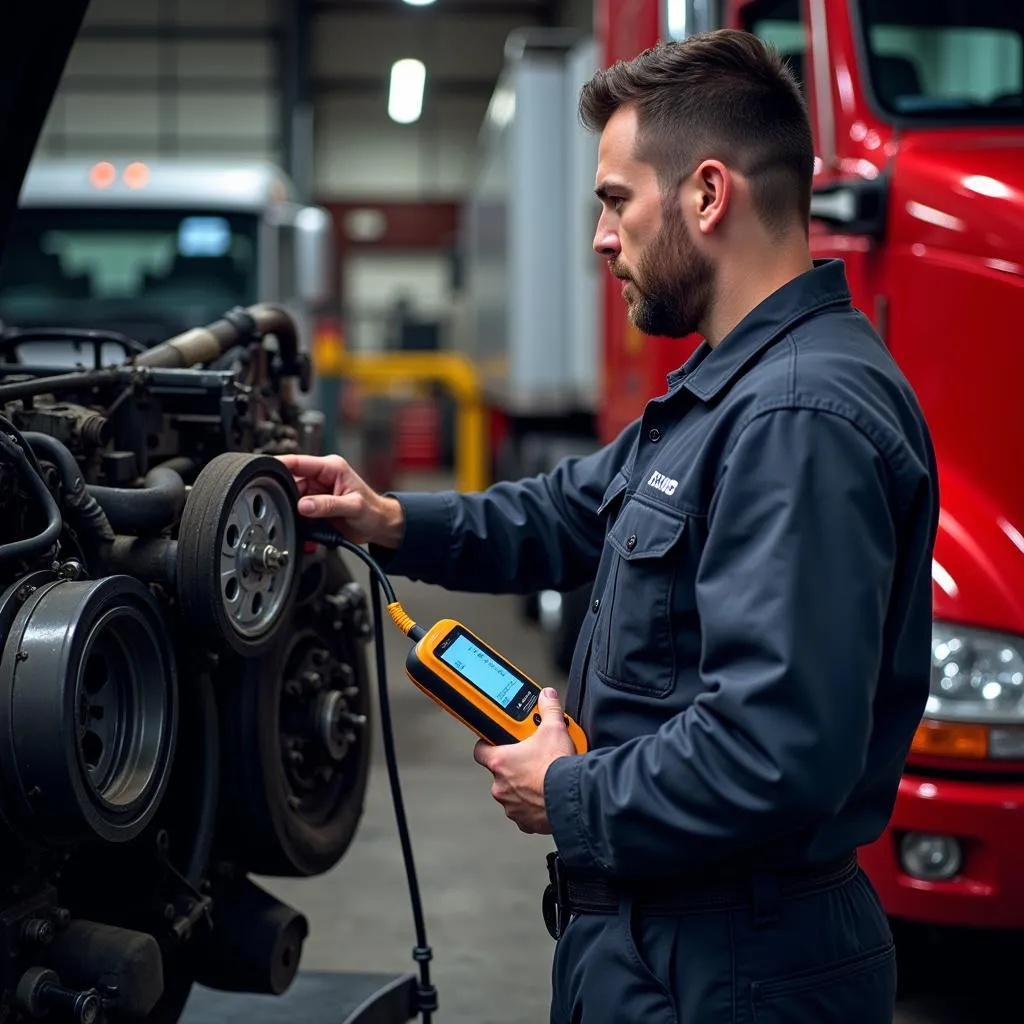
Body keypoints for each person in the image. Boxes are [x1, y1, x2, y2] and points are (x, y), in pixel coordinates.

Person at [280, 28, 938, 1024]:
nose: (600, 237)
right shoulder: (729, 395)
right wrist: (381, 518)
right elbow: (558, 512)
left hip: (732, 966)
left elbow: (777, 747)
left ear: (708, 195)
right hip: (665, 938)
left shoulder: (798, 417)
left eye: (615, 201)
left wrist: (573, 792)